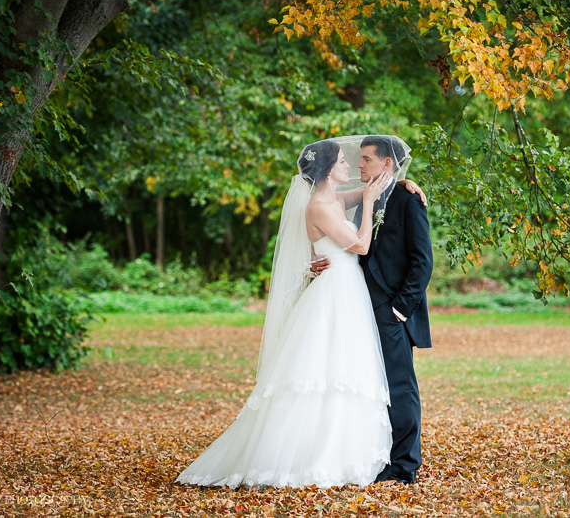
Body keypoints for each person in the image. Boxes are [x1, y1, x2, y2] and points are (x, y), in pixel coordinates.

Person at [176, 138, 423, 489]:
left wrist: (400, 182)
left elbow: (371, 191)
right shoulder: (319, 207)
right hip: (335, 294)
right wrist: (368, 203)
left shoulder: (335, 199)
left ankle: (352, 451)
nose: (350, 167)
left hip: (349, 293)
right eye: (342, 162)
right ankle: (313, 455)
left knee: (344, 372)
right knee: (320, 373)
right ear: (325, 170)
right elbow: (363, 244)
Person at [313, 135, 433, 485]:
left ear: (386, 164)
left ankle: (405, 465)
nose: (359, 164)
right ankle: (378, 454)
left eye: (365, 159)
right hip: (360, 307)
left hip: (391, 312)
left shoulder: (409, 200)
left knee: (399, 388)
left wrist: (400, 309)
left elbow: (422, 263)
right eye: (359, 159)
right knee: (371, 386)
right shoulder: (370, 197)